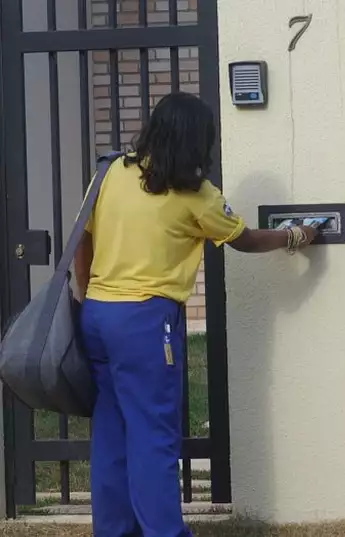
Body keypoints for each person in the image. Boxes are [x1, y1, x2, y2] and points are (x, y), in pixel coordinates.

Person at [73, 92, 316, 537]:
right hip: (145, 321)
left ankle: (113, 530)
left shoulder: (110, 172)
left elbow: (81, 239)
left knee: (111, 431)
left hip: (98, 315)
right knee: (152, 436)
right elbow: (242, 239)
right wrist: (295, 236)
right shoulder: (196, 194)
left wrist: (87, 294)